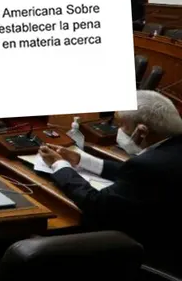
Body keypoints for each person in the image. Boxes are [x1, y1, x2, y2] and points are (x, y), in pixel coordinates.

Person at [40, 90, 182, 270]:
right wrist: (82, 160)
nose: (118, 131)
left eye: (122, 125)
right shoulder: (170, 152)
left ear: (142, 131)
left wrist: (59, 165)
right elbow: (138, 174)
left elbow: (96, 204)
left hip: (154, 257)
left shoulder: (149, 166)